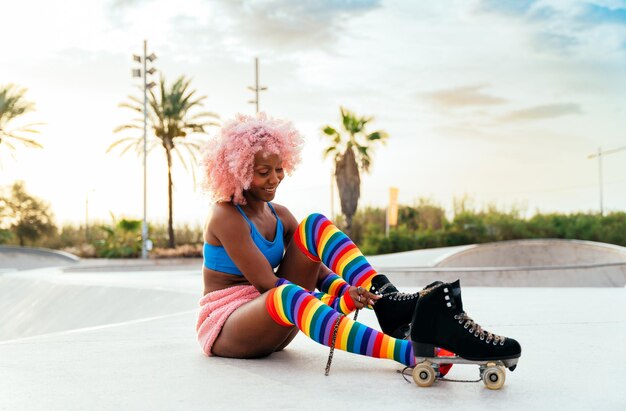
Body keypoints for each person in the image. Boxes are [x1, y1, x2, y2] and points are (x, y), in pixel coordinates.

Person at [196, 113, 521, 374]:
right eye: (263, 172)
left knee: (314, 225)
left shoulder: (279, 214)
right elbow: (267, 284)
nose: (274, 179)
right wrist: (335, 300)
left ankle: (388, 298)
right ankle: (408, 352)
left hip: (277, 316)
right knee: (286, 293)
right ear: (237, 172)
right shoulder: (226, 216)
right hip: (230, 324)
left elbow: (318, 270)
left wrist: (348, 291)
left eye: (279, 169)